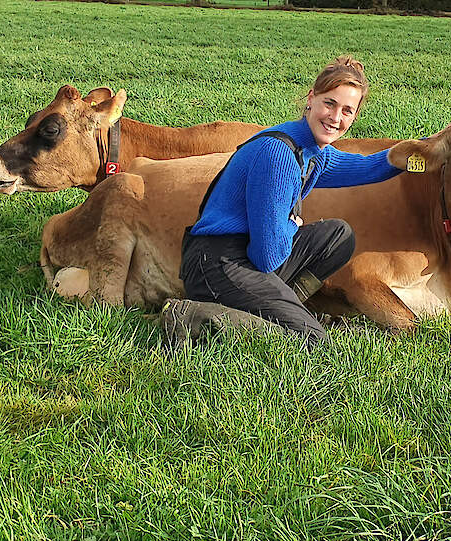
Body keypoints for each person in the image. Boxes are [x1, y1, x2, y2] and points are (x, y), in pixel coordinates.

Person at [164, 56, 406, 350]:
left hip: (246, 254)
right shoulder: (279, 155)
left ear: (354, 117)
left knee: (338, 236)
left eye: (347, 111)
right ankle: (194, 316)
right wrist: (290, 226)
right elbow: (268, 256)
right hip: (218, 264)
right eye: (329, 104)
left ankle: (284, 307)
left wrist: (434, 142)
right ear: (311, 98)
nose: (336, 117)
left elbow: (369, 167)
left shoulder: (312, 150)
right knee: (313, 342)